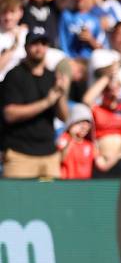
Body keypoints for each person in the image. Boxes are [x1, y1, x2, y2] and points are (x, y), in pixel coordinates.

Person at [1, 27, 69, 178]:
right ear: (26, 47)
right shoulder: (15, 75)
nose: (39, 48)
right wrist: (46, 102)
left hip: (49, 154)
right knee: (17, 202)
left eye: (43, 44)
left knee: (51, 201)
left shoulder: (52, 76)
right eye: (35, 43)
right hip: (20, 155)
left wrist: (61, 94)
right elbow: (10, 114)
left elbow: (64, 117)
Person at [57, 102, 111, 179]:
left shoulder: (89, 144)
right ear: (73, 122)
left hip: (84, 187)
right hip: (65, 185)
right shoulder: (64, 138)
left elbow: (102, 165)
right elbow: (60, 159)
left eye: (88, 123)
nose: (85, 126)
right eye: (81, 122)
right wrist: (72, 138)